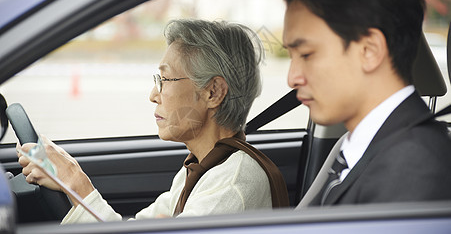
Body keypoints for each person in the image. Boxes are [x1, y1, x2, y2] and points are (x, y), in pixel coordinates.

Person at [17, 19, 289, 223]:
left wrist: (77, 184)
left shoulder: (231, 187)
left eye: (165, 79)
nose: (153, 95)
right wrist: (71, 180)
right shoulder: (202, 168)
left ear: (213, 92)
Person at [274, 0, 451, 207]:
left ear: (369, 51)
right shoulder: (367, 146)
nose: (293, 78)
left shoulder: (414, 166)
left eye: (306, 54)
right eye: (291, 56)